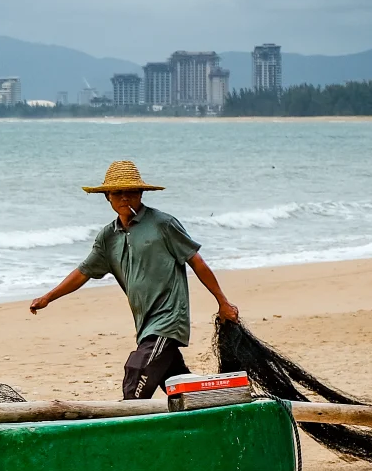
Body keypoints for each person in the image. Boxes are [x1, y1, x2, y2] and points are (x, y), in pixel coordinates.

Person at [29, 160, 240, 400]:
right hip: (144, 324)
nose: (124, 198)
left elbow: (197, 262)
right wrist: (48, 297)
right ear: (107, 197)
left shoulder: (163, 224)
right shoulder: (108, 237)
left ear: (141, 194)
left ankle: (128, 426)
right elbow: (83, 272)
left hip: (168, 319)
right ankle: (220, 410)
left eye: (130, 192)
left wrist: (222, 301)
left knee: (137, 372)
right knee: (180, 388)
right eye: (117, 193)